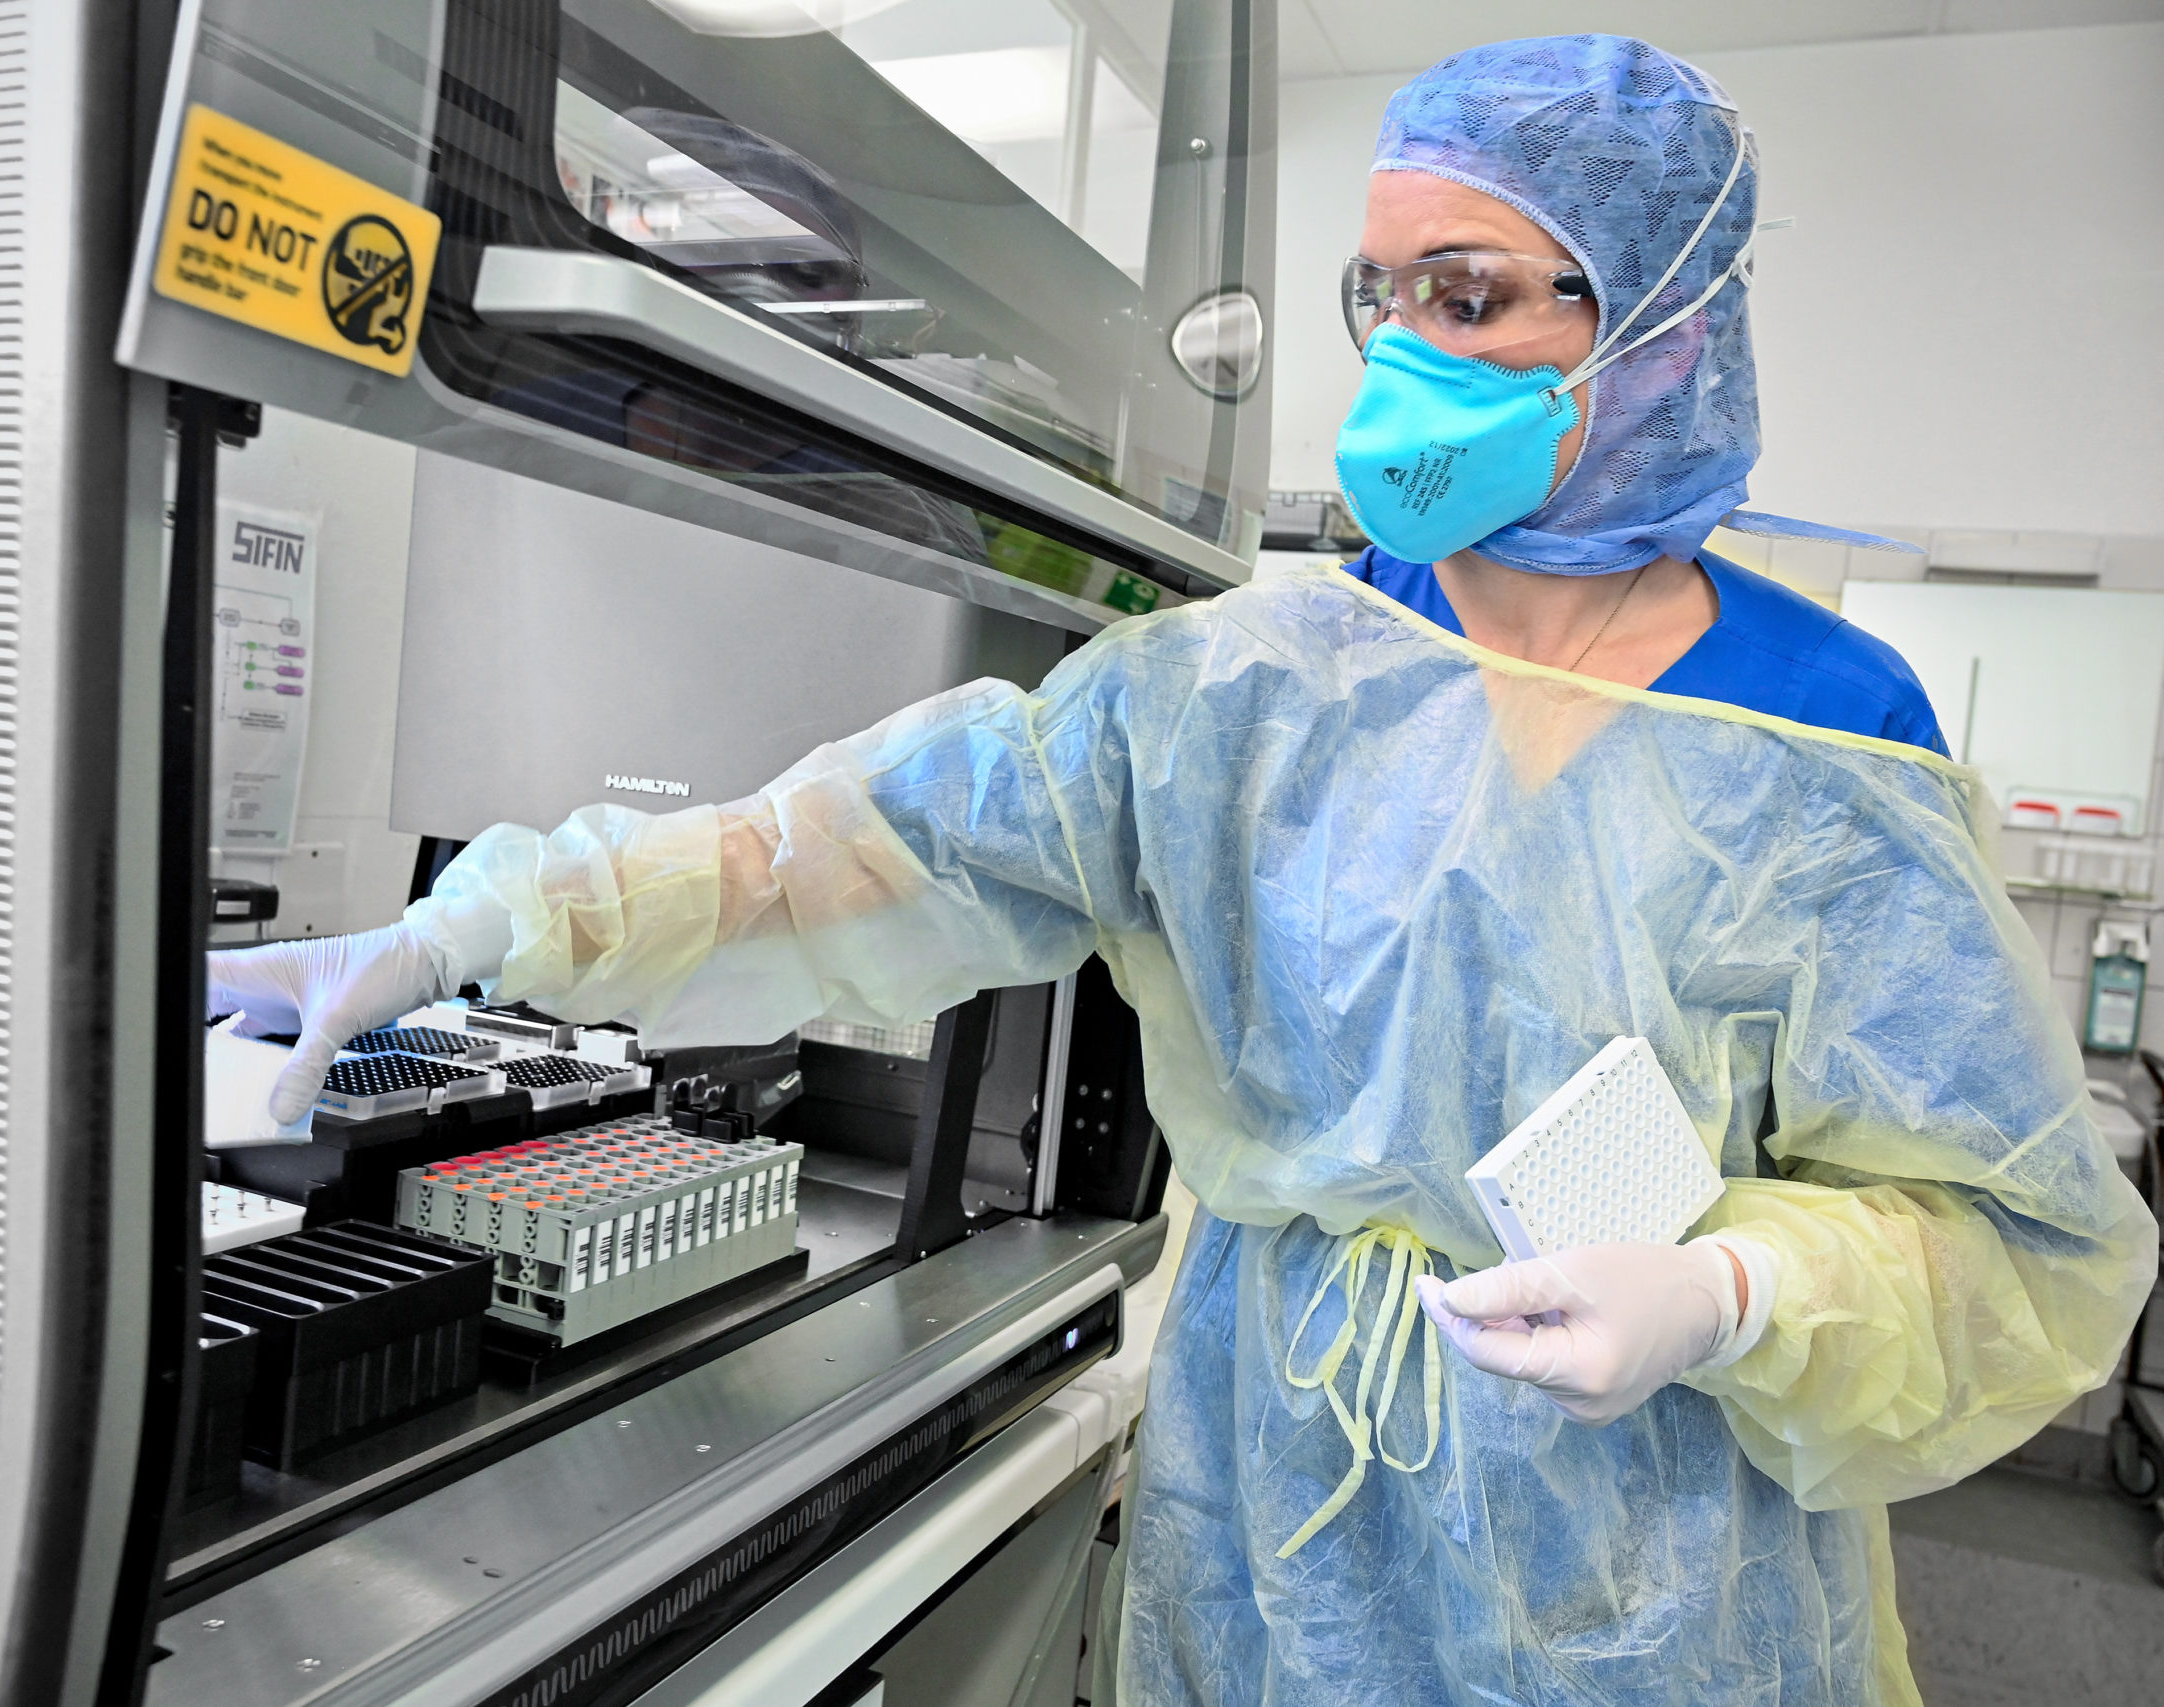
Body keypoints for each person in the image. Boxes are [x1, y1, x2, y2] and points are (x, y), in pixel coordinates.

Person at [210, 36, 2156, 1705]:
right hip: (1275, 1549)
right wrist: (470, 929)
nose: (1408, 355)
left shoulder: (1824, 737)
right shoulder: (1249, 685)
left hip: (1654, 1592)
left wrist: (1730, 1290)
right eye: (1383, 299)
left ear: (1659, 334)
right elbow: (844, 852)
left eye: (1471, 295)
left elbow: (2019, 1246)